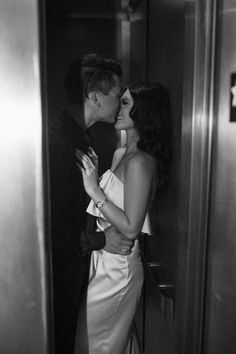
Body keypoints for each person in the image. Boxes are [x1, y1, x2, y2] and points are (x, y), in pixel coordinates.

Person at [74, 82, 172, 353]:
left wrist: (93, 189)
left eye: (126, 103)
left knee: (95, 345)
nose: (118, 108)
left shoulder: (142, 162)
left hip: (119, 267)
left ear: (146, 112)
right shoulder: (120, 153)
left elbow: (130, 229)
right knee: (106, 341)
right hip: (102, 257)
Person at [49, 53, 133, 354]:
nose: (121, 99)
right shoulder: (58, 144)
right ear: (96, 97)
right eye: (116, 93)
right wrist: (101, 239)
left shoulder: (78, 138)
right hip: (56, 276)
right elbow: (50, 226)